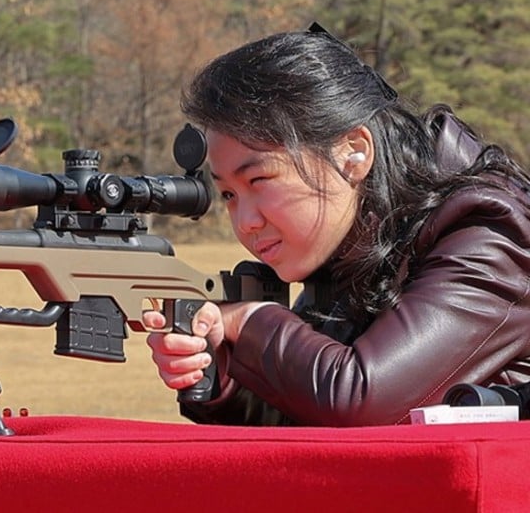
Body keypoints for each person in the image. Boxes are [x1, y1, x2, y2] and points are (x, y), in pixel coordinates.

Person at [144, 24, 530, 426]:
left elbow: (361, 398)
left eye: (258, 180)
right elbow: (306, 422)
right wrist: (225, 373)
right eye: (228, 195)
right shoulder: (352, 244)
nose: (246, 222)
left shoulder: (487, 230)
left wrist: (249, 321)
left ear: (354, 153)